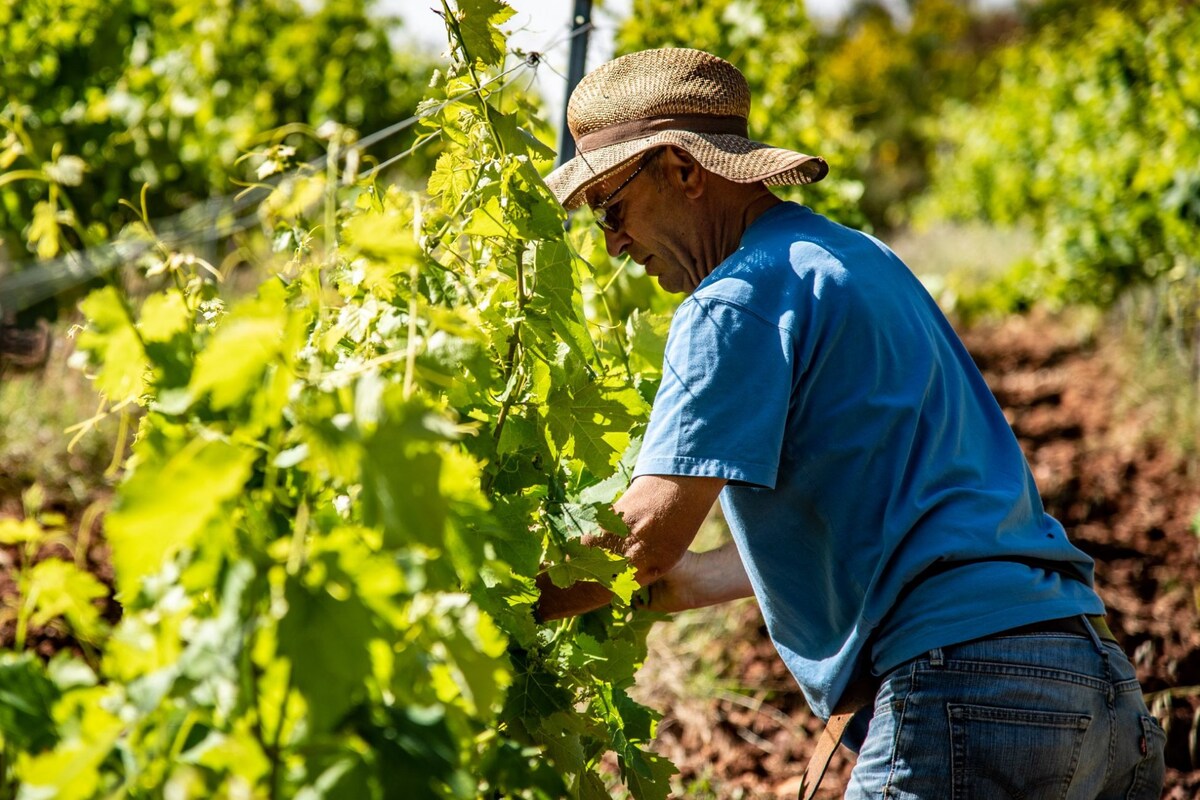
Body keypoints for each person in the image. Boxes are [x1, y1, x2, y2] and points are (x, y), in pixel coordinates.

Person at [537, 46, 1166, 799]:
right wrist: (686, 583)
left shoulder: (734, 298)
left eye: (610, 206)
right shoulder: (854, 260)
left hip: (972, 693)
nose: (610, 240)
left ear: (683, 169)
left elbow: (643, 536)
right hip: (1095, 688)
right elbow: (888, 517)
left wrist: (498, 600)